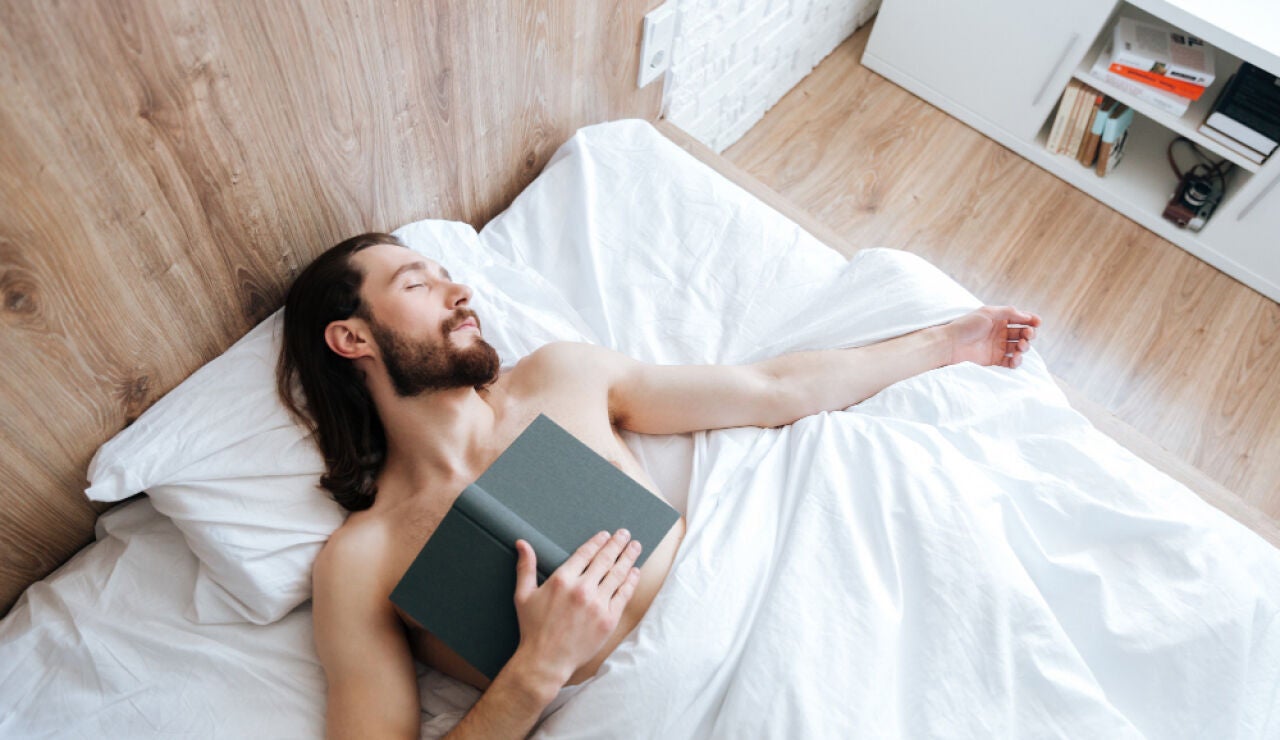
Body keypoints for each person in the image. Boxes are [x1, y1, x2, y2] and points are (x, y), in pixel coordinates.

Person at [277, 232, 1042, 739]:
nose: (460, 293)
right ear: (352, 337)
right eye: (419, 284)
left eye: (451, 277)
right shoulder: (362, 560)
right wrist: (536, 665)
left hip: (773, 618)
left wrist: (945, 342)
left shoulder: (558, 378)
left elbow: (769, 389)